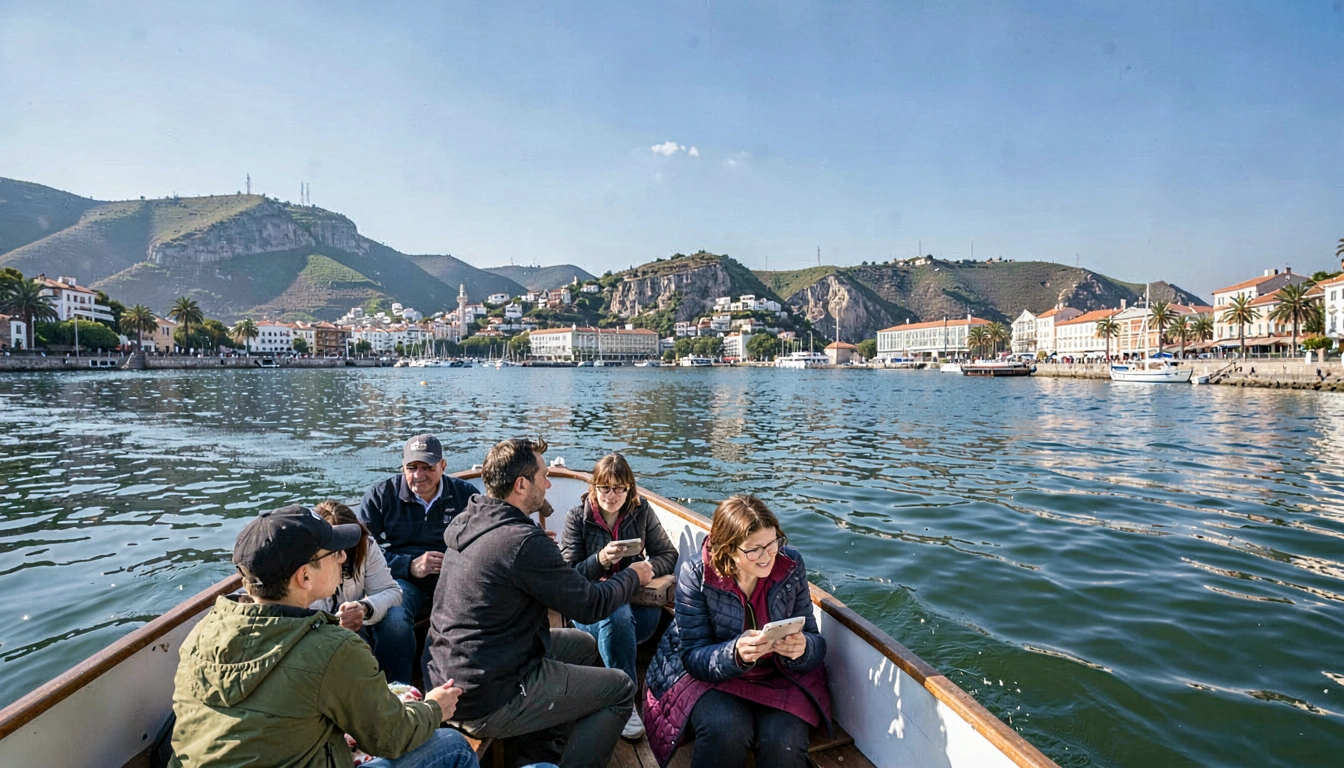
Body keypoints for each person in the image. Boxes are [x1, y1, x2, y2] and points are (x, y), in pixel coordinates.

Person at [168, 504, 477, 768]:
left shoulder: (202, 632)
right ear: (304, 576)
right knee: (453, 745)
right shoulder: (332, 648)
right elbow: (392, 737)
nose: (343, 559)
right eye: (334, 554)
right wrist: (435, 707)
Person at [427, 437, 654, 768]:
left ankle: (542, 745)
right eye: (543, 476)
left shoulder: (473, 520)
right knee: (620, 689)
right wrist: (634, 575)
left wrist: (539, 556)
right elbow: (590, 604)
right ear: (521, 484)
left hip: (455, 671)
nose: (549, 483)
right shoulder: (522, 543)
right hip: (486, 696)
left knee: (585, 643)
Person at [643, 495, 831, 768]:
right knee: (726, 731)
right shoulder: (696, 573)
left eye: (772, 543)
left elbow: (815, 641)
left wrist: (803, 649)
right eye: (754, 550)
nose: (768, 556)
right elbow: (693, 655)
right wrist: (734, 654)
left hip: (780, 676)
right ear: (728, 549)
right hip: (713, 679)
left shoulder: (791, 565)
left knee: (785, 744)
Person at [560, 453, 677, 740]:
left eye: (619, 488)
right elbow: (568, 576)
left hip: (640, 609)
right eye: (605, 488)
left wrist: (647, 568)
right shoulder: (577, 518)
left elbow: (668, 554)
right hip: (591, 612)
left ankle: (630, 689)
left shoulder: (641, 511)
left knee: (623, 611)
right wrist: (599, 559)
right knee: (616, 611)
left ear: (629, 489)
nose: (612, 495)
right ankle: (625, 700)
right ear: (594, 488)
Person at [358, 433, 478, 673]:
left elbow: (486, 540)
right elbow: (359, 552)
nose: (418, 475)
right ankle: (398, 694)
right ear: (403, 466)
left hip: (456, 580)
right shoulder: (381, 496)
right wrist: (409, 565)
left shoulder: (466, 495)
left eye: (427, 467)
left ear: (443, 466)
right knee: (393, 620)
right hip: (402, 581)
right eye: (411, 467)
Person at [310, 500, 412, 683]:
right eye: (336, 550)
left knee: (397, 618)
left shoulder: (365, 545)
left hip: (357, 627)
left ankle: (397, 689)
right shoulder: (301, 559)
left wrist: (364, 608)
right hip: (315, 635)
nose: (343, 556)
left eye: (348, 545)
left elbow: (392, 591)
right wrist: (333, 625)